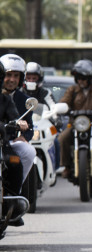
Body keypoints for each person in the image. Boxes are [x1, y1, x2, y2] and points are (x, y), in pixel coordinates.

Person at [0, 54, 36, 188]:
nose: (11, 79)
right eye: (8, 75)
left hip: (8, 142)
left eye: (16, 76)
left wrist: (23, 136)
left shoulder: (24, 100)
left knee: (29, 151)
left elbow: (30, 127)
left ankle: (16, 191)